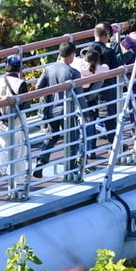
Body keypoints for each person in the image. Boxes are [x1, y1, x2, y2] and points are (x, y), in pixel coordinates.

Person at [33, 41, 82, 176]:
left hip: (50, 110)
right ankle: (71, 170)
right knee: (71, 139)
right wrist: (85, 112)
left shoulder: (49, 69)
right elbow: (79, 95)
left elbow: (38, 88)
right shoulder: (73, 72)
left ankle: (41, 160)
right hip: (67, 111)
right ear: (72, 55)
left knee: (51, 136)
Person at [0, 56, 29, 194]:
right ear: (19, 68)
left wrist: (1, 119)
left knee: (4, 151)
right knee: (19, 152)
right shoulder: (21, 83)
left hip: (1, 123)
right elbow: (24, 105)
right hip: (17, 123)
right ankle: (19, 184)